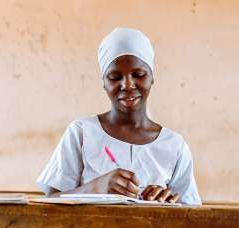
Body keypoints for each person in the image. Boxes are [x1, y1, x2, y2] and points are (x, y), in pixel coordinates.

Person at [36, 27, 201, 204]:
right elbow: (49, 203)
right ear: (104, 83)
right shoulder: (82, 132)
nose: (128, 85)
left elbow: (190, 216)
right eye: (115, 77)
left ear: (152, 77)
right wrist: (95, 188)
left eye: (139, 74)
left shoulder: (174, 146)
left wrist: (168, 202)